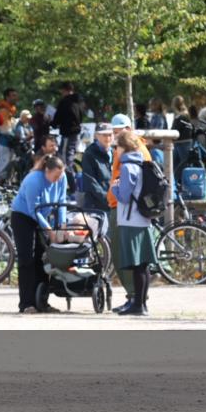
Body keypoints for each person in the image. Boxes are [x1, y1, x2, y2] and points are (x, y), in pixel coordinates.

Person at [10, 154, 67, 314]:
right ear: (46, 171)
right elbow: (32, 209)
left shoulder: (61, 178)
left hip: (43, 216)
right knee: (26, 259)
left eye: (59, 176)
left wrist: (61, 225)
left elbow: (61, 201)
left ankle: (41, 301)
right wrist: (49, 230)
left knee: (43, 259)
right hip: (24, 217)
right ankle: (26, 303)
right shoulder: (34, 180)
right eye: (54, 176)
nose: (57, 180)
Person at [112, 130, 159, 316]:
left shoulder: (126, 167)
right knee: (144, 265)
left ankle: (137, 305)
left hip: (131, 220)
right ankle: (142, 304)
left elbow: (123, 196)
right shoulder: (143, 162)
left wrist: (115, 187)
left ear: (124, 147)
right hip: (143, 218)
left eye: (117, 146)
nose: (115, 150)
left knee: (136, 264)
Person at [106, 113, 150, 310]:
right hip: (131, 211)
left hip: (126, 210)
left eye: (119, 132)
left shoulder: (132, 155)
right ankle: (136, 299)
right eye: (114, 132)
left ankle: (136, 299)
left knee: (129, 258)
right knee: (137, 261)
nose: (116, 137)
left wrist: (115, 188)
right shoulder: (138, 150)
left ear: (129, 130)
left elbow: (126, 190)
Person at [52, 82, 85, 180]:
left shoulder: (65, 102)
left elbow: (58, 117)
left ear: (64, 90)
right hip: (76, 132)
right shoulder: (80, 101)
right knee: (71, 154)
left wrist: (52, 123)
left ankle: (69, 181)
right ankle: (72, 179)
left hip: (68, 132)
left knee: (65, 157)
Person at [81, 123, 114, 213]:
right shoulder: (89, 154)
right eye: (104, 135)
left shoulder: (116, 153)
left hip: (113, 205)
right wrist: (107, 198)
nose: (108, 138)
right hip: (95, 207)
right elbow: (90, 182)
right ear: (96, 135)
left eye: (110, 135)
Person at [0, 88, 20, 185]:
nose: (16, 97)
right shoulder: (3, 110)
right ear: (7, 97)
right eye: (13, 95)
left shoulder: (10, 110)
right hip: (3, 143)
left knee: (6, 170)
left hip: (7, 144)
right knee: (1, 170)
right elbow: (5, 129)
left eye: (16, 95)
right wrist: (16, 136)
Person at [170, 95, 194, 182]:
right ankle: (177, 182)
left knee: (182, 164)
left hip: (182, 142)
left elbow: (175, 129)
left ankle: (183, 182)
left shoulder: (180, 116)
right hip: (183, 142)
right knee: (177, 164)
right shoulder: (185, 114)